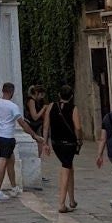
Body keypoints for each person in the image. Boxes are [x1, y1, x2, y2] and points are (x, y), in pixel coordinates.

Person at [0, 81, 43, 201]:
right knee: (3, 162)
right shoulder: (12, 106)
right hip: (7, 137)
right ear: (12, 92)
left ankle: (14, 187)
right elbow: (22, 123)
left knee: (11, 161)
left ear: (3, 91)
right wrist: (34, 136)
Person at [45, 84, 82, 214]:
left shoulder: (51, 106)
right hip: (69, 144)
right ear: (71, 96)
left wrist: (45, 143)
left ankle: (72, 200)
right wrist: (79, 140)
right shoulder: (73, 108)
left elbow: (46, 126)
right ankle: (61, 203)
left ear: (59, 95)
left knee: (69, 167)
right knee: (66, 169)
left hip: (56, 143)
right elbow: (77, 127)